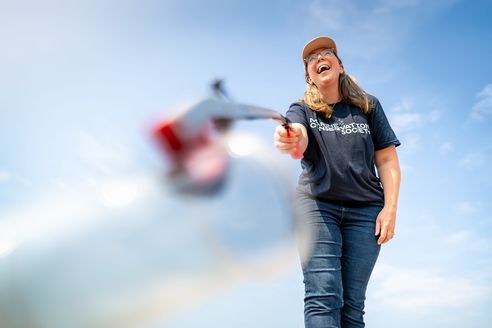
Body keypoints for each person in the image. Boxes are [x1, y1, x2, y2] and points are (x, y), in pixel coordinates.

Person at [274, 36, 401, 328]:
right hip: (317, 206)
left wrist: (390, 209)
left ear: (340, 66)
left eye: (326, 53)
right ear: (309, 76)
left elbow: (387, 160)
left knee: (352, 306)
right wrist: (291, 136)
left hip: (367, 210)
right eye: (311, 58)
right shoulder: (301, 109)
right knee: (323, 296)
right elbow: (299, 136)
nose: (320, 58)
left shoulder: (368, 106)